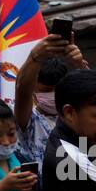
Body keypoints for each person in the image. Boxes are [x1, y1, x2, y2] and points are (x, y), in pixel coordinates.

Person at [14, 33, 87, 165]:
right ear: (34, 89)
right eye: (46, 90)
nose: (53, 95)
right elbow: (22, 91)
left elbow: (95, 95)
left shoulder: (77, 117)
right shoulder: (29, 120)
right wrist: (34, 57)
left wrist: (80, 65)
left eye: (57, 90)